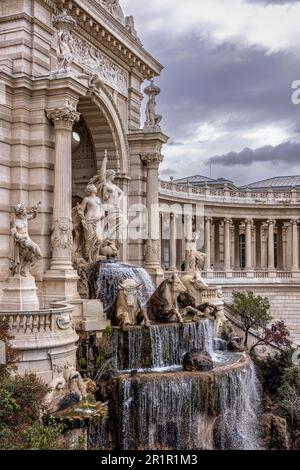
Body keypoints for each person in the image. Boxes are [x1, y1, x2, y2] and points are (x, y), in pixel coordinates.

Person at [10, 202, 42, 277]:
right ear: (21, 211)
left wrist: (34, 211)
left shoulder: (25, 218)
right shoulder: (13, 221)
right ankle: (22, 269)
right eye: (24, 209)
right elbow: (14, 234)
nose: (25, 210)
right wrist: (21, 237)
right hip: (20, 241)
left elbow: (33, 216)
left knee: (39, 255)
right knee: (32, 248)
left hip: (27, 240)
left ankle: (25, 268)